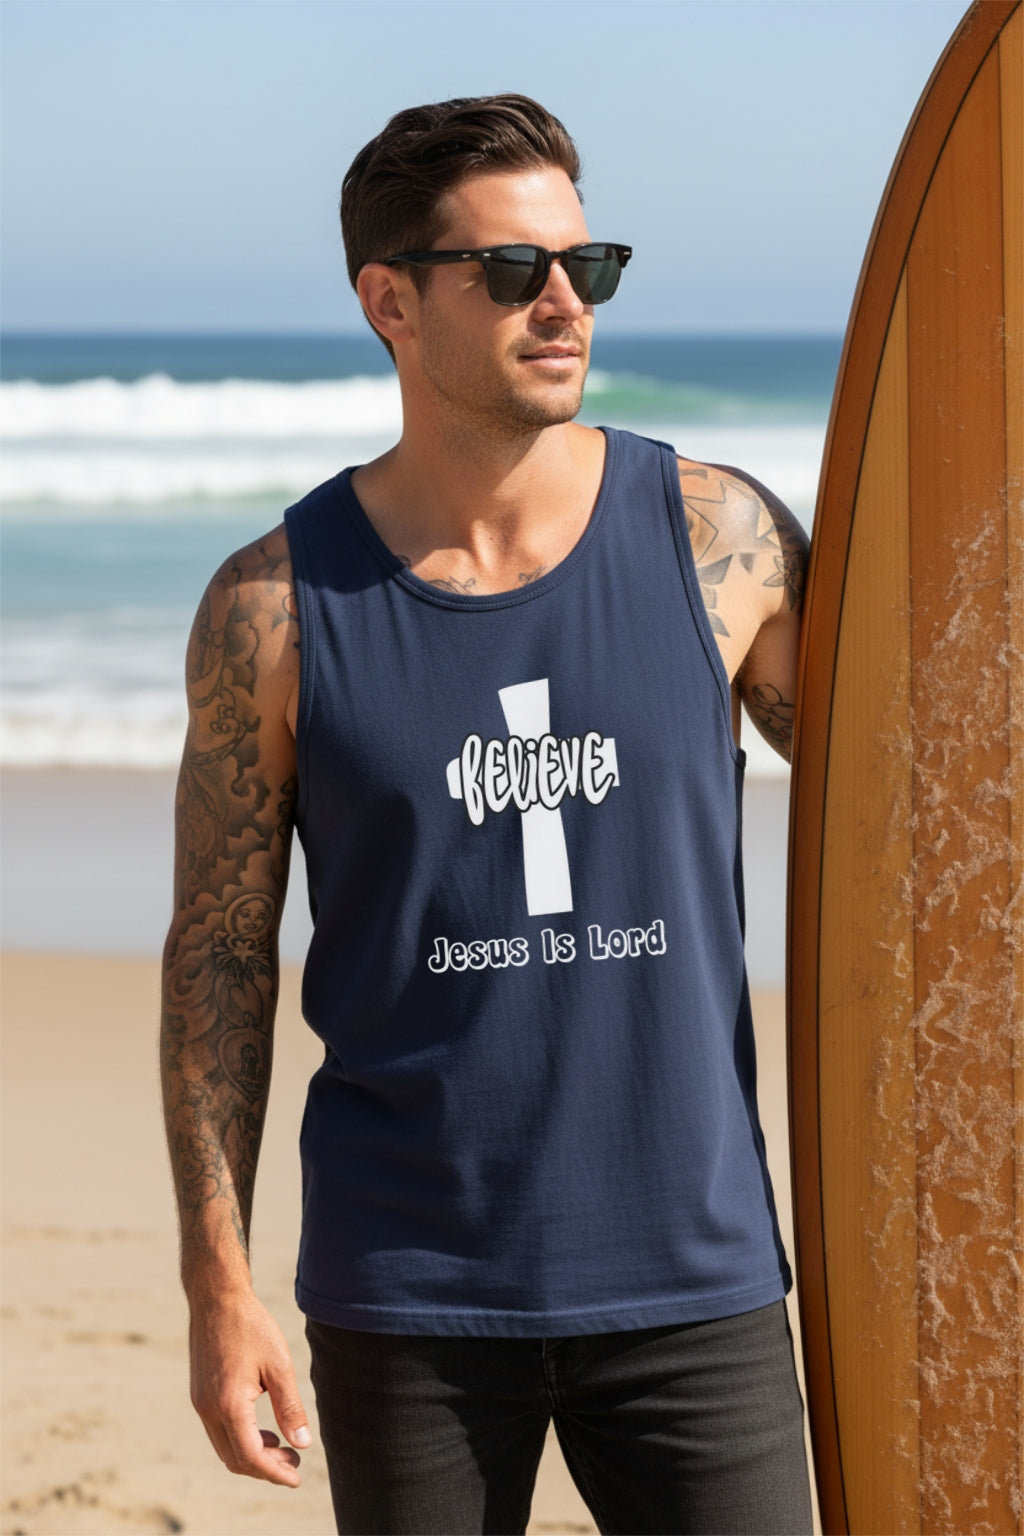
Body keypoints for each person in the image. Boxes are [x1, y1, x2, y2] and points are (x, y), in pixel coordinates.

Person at [160, 94, 814, 1535]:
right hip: (412, 1301)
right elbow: (217, 961)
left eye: (591, 264)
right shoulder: (275, 610)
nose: (565, 302)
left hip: (697, 1282)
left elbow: (916, 814)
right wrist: (219, 1288)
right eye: (514, 271)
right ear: (389, 302)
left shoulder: (724, 545)